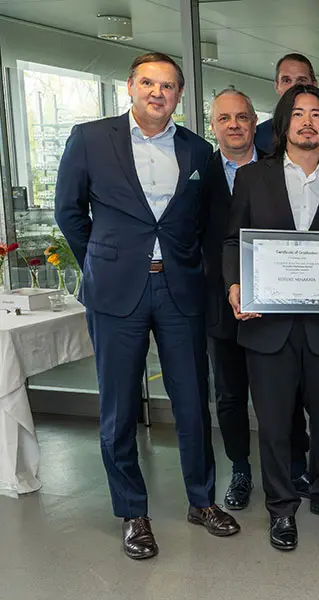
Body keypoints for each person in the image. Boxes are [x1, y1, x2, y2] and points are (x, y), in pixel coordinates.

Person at [54, 52, 240, 560]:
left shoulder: (199, 152)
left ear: (180, 95)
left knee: (192, 405)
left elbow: (207, 226)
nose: (158, 93)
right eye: (148, 83)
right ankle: (132, 513)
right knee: (117, 408)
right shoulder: (90, 139)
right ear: (131, 87)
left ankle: (201, 501)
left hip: (180, 291)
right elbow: (68, 212)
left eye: (168, 86)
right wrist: (102, 259)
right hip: (116, 291)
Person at [222, 84, 319, 551]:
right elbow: (231, 242)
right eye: (298, 113)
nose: (307, 121)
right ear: (283, 125)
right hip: (268, 327)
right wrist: (235, 285)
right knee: (276, 423)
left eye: (317, 114)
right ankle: (281, 508)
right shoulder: (252, 178)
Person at [200, 89, 309, 510]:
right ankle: (242, 469)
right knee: (229, 395)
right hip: (221, 305)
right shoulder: (197, 173)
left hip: (278, 305)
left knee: (287, 392)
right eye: (224, 118)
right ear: (213, 125)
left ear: (255, 123)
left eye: (242, 117)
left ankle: (294, 463)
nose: (234, 125)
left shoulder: (278, 169)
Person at [255, 53, 319, 153]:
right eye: (286, 80)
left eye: (301, 80)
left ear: (314, 85)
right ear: (276, 86)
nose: (294, 87)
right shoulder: (260, 134)